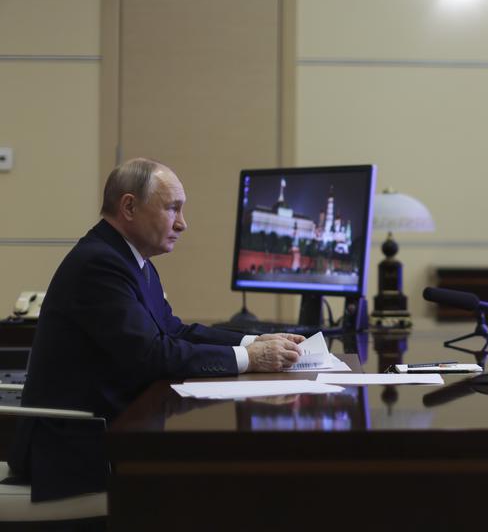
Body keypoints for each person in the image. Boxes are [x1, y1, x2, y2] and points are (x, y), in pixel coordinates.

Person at [8, 158, 304, 501]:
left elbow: (173, 331)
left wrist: (254, 341)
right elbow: (151, 355)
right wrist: (249, 358)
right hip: (73, 451)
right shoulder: (99, 264)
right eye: (172, 209)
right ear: (129, 206)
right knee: (219, 486)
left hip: (108, 430)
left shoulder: (131, 260)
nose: (183, 224)